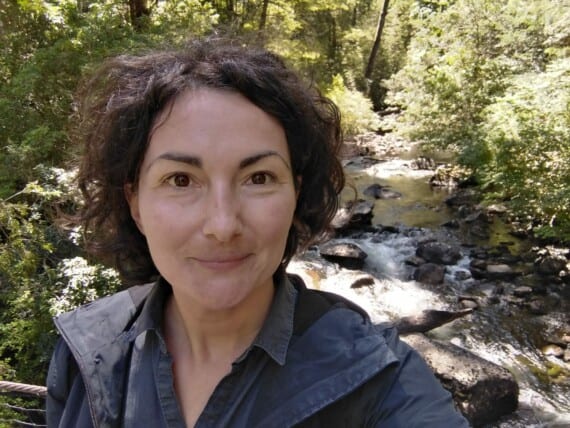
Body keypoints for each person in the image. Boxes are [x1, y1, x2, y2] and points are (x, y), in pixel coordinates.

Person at [46, 37, 470, 428]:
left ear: (295, 195)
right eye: (180, 180)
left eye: (259, 178)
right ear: (135, 203)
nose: (223, 225)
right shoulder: (86, 352)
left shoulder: (378, 380)